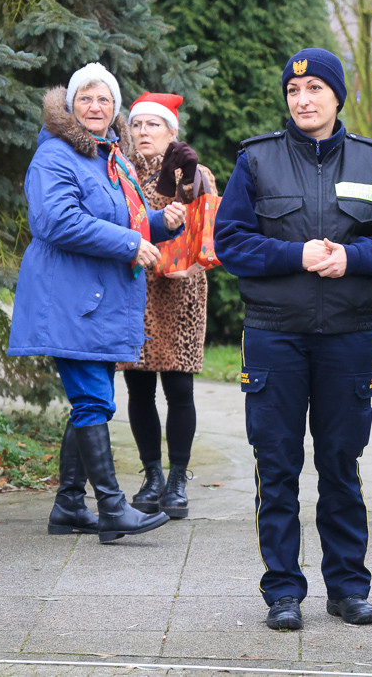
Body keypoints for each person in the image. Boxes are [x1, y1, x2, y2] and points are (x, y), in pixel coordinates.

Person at [214, 48, 372, 631]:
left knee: (340, 464)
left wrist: (351, 258)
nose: (303, 101)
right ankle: (282, 590)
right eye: (294, 93)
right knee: (276, 465)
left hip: (347, 339)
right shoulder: (257, 161)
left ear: (336, 97)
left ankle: (348, 587)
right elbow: (231, 243)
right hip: (275, 338)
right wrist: (294, 254)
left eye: (315, 91)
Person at [8, 62, 187, 544]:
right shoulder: (55, 157)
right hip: (67, 298)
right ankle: (111, 508)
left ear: (115, 110)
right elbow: (58, 221)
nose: (95, 106)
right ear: (70, 106)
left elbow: (121, 216)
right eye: (85, 97)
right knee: (92, 400)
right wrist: (131, 244)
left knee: (94, 400)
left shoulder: (112, 157)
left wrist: (159, 223)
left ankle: (69, 505)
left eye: (104, 99)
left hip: (97, 301)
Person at [118, 92, 218, 520]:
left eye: (152, 125)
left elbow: (212, 229)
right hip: (134, 289)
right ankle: (151, 475)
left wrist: (195, 267)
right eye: (137, 125)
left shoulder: (195, 173)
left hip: (181, 290)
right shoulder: (117, 172)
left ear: (171, 131)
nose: (143, 132)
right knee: (138, 389)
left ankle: (177, 478)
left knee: (179, 389)